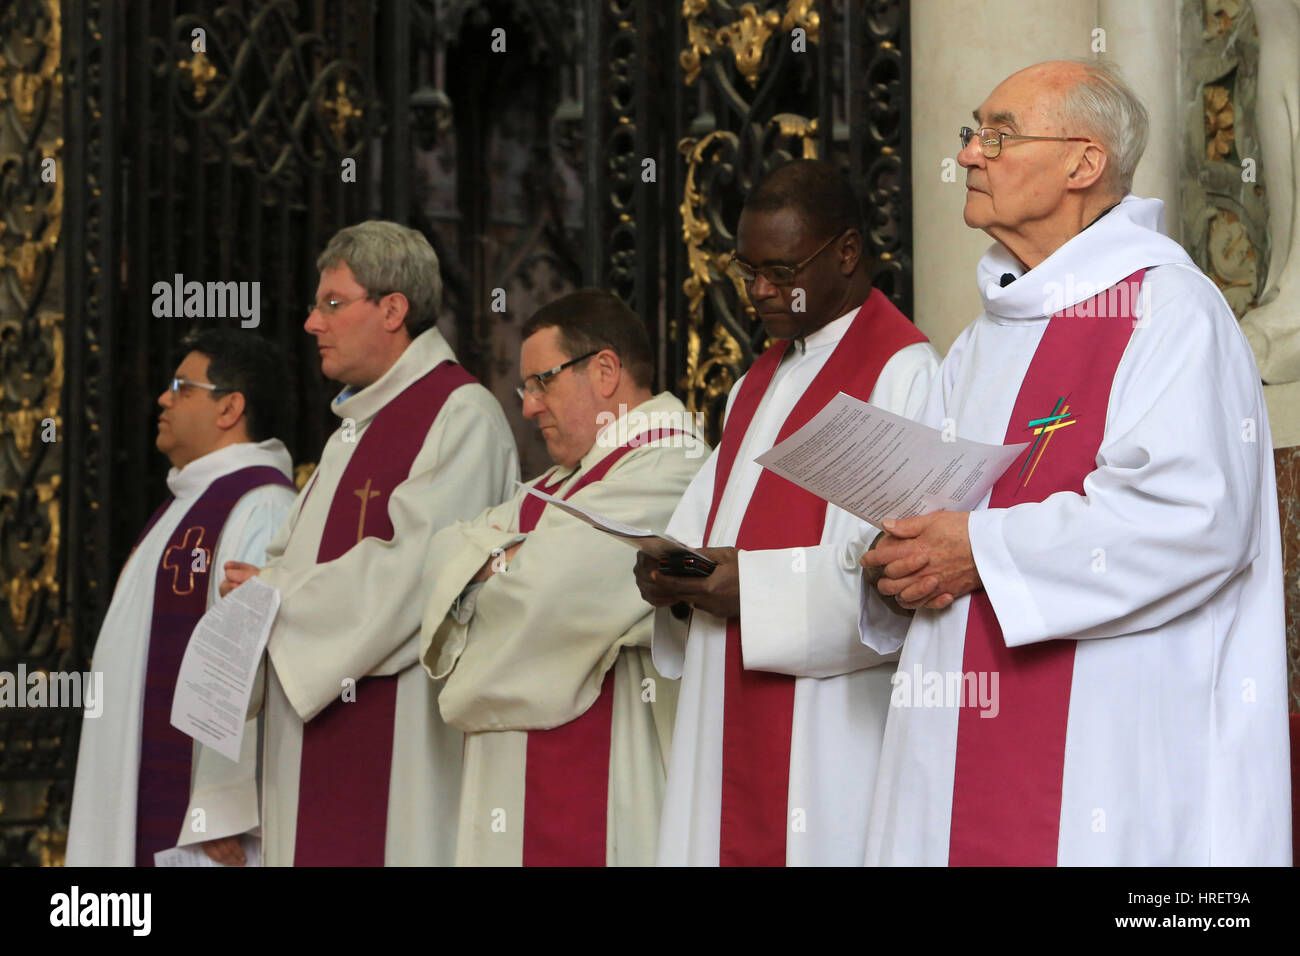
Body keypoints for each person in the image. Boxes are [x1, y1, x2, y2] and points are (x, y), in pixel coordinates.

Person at [859, 60, 1292, 865]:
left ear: (1083, 164)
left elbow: (1194, 520)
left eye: (999, 134)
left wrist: (977, 551)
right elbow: (935, 509)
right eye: (971, 134)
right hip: (953, 740)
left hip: (1105, 757)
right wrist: (899, 556)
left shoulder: (1168, 310)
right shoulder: (983, 339)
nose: (969, 156)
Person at [634, 160, 941, 866]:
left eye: (781, 270)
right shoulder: (757, 381)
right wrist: (671, 577)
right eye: (748, 270)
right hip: (724, 706)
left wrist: (753, 589)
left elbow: (893, 579)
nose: (760, 291)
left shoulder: (904, 374)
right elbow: (705, 529)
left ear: (847, 251)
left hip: (830, 730)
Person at [212, 220, 518, 866]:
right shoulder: (352, 428)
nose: (311, 324)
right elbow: (290, 562)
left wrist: (277, 596)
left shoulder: (460, 415)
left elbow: (422, 572)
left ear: (392, 310)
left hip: (403, 735)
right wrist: (254, 590)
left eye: (331, 303)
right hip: (310, 729)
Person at [419, 289, 706, 866]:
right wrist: (512, 559)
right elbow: (439, 553)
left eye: (540, 382)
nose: (527, 406)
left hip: (608, 759)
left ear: (604, 371)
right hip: (516, 761)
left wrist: (487, 568)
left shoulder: (672, 464)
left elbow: (543, 599)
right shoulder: (562, 482)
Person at [65, 328, 297, 866]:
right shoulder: (187, 501)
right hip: (131, 773)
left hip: (203, 821)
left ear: (229, 408)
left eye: (181, 386)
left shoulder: (259, 506)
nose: (163, 398)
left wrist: (221, 808)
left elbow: (247, 667)